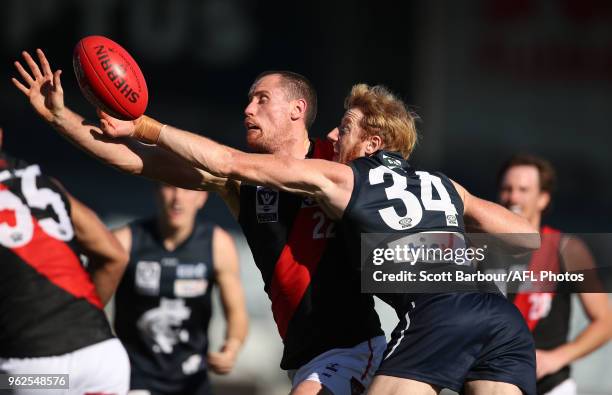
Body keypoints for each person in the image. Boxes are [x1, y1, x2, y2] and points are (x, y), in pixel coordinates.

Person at [13, 49, 387, 395]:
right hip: (304, 357)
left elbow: (416, 194)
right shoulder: (242, 182)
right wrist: (60, 117)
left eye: (262, 99)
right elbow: (134, 160)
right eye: (248, 99)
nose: (248, 109)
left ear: (297, 109)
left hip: (351, 347)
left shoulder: (337, 165)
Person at [0, 126, 130, 394]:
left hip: (36, 374)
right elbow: (114, 255)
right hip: (102, 358)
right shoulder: (44, 184)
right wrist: (78, 324)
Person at [112, 184, 248, 395]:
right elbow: (89, 305)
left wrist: (232, 347)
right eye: (169, 187)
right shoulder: (125, 241)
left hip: (193, 379)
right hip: (134, 377)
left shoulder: (218, 244)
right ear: (156, 190)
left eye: (188, 189)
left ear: (202, 197)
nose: (178, 198)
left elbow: (237, 313)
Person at [496, 154, 612, 395]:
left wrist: (556, 358)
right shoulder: (482, 249)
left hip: (549, 385)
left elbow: (605, 321)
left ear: (543, 199)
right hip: (492, 382)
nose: (513, 197)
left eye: (523, 189)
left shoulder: (566, 249)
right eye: (507, 189)